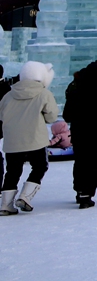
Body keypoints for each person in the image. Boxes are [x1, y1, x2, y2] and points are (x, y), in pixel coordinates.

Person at [0, 61, 58, 215]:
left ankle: (5, 204)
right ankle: (25, 196)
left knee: (12, 171)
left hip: (12, 139)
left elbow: (1, 115)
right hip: (35, 138)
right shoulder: (44, 93)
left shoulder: (9, 94)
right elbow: (52, 117)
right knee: (40, 166)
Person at [62, 62, 97, 208]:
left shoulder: (75, 93)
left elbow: (67, 116)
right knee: (94, 163)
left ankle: (79, 189)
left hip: (79, 133)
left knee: (80, 161)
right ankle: (87, 192)